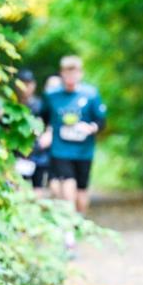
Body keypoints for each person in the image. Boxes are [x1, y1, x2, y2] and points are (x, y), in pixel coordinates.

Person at [40, 55, 107, 226]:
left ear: (80, 74)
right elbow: (42, 117)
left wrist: (91, 128)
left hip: (84, 151)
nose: (70, 78)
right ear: (62, 74)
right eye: (67, 73)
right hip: (61, 149)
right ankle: (69, 225)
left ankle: (79, 219)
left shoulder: (90, 94)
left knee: (81, 191)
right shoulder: (52, 95)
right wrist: (46, 132)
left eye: (74, 73)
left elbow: (101, 121)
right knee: (67, 184)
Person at [14, 70, 52, 198]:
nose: (25, 87)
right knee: (17, 187)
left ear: (34, 85)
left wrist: (46, 138)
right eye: (23, 83)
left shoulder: (41, 105)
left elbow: (50, 125)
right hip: (16, 152)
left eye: (28, 84)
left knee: (38, 190)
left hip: (38, 153)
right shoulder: (10, 106)